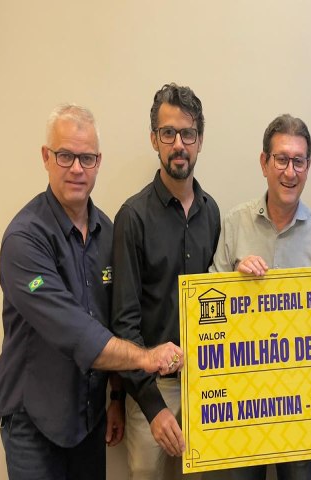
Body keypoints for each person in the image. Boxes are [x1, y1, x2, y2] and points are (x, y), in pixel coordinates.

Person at [0, 104, 183, 480]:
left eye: (87, 158)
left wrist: (116, 398)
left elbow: (113, 319)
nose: (77, 168)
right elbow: (73, 330)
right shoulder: (24, 239)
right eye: (65, 156)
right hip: (33, 420)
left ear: (98, 162)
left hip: (88, 419)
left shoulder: (107, 233)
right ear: (46, 157)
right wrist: (146, 358)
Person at [205, 114, 311, 480]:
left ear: (308, 167)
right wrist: (235, 281)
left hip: (303, 405)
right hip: (243, 401)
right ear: (264, 162)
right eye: (281, 159)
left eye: (299, 161)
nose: (290, 172)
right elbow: (208, 312)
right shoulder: (234, 224)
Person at [111, 84, 221, 480]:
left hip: (205, 386)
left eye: (187, 134)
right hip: (150, 390)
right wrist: (153, 407)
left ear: (200, 140)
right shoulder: (132, 217)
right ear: (154, 139)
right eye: (168, 133)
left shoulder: (212, 212)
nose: (179, 144)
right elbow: (123, 323)